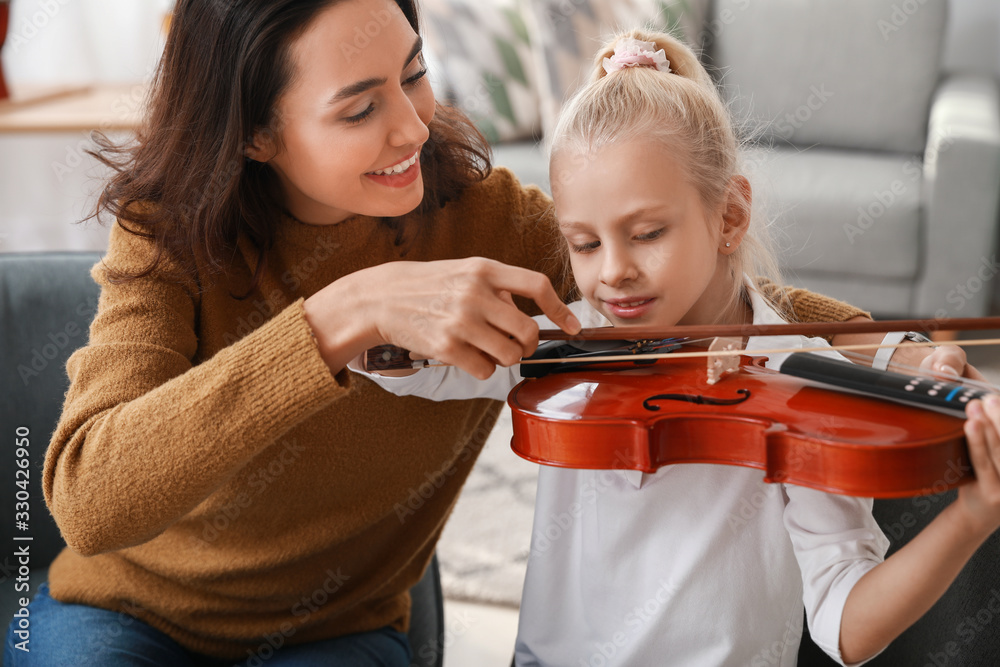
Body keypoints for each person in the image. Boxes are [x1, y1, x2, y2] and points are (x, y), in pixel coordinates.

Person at [1, 2, 975, 666]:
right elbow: (90, 498)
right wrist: (338, 320)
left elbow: (695, 293)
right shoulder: (168, 234)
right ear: (257, 135)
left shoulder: (490, 223)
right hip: (132, 610)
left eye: (414, 76)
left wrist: (896, 354)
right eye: (359, 107)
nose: (414, 128)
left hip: (332, 627)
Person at [352, 30, 1000, 667]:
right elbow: (412, 373)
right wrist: (392, 323)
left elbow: (846, 627)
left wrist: (970, 518)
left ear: (729, 217)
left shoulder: (805, 386)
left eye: (647, 232)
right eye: (583, 244)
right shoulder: (564, 341)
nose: (613, 272)